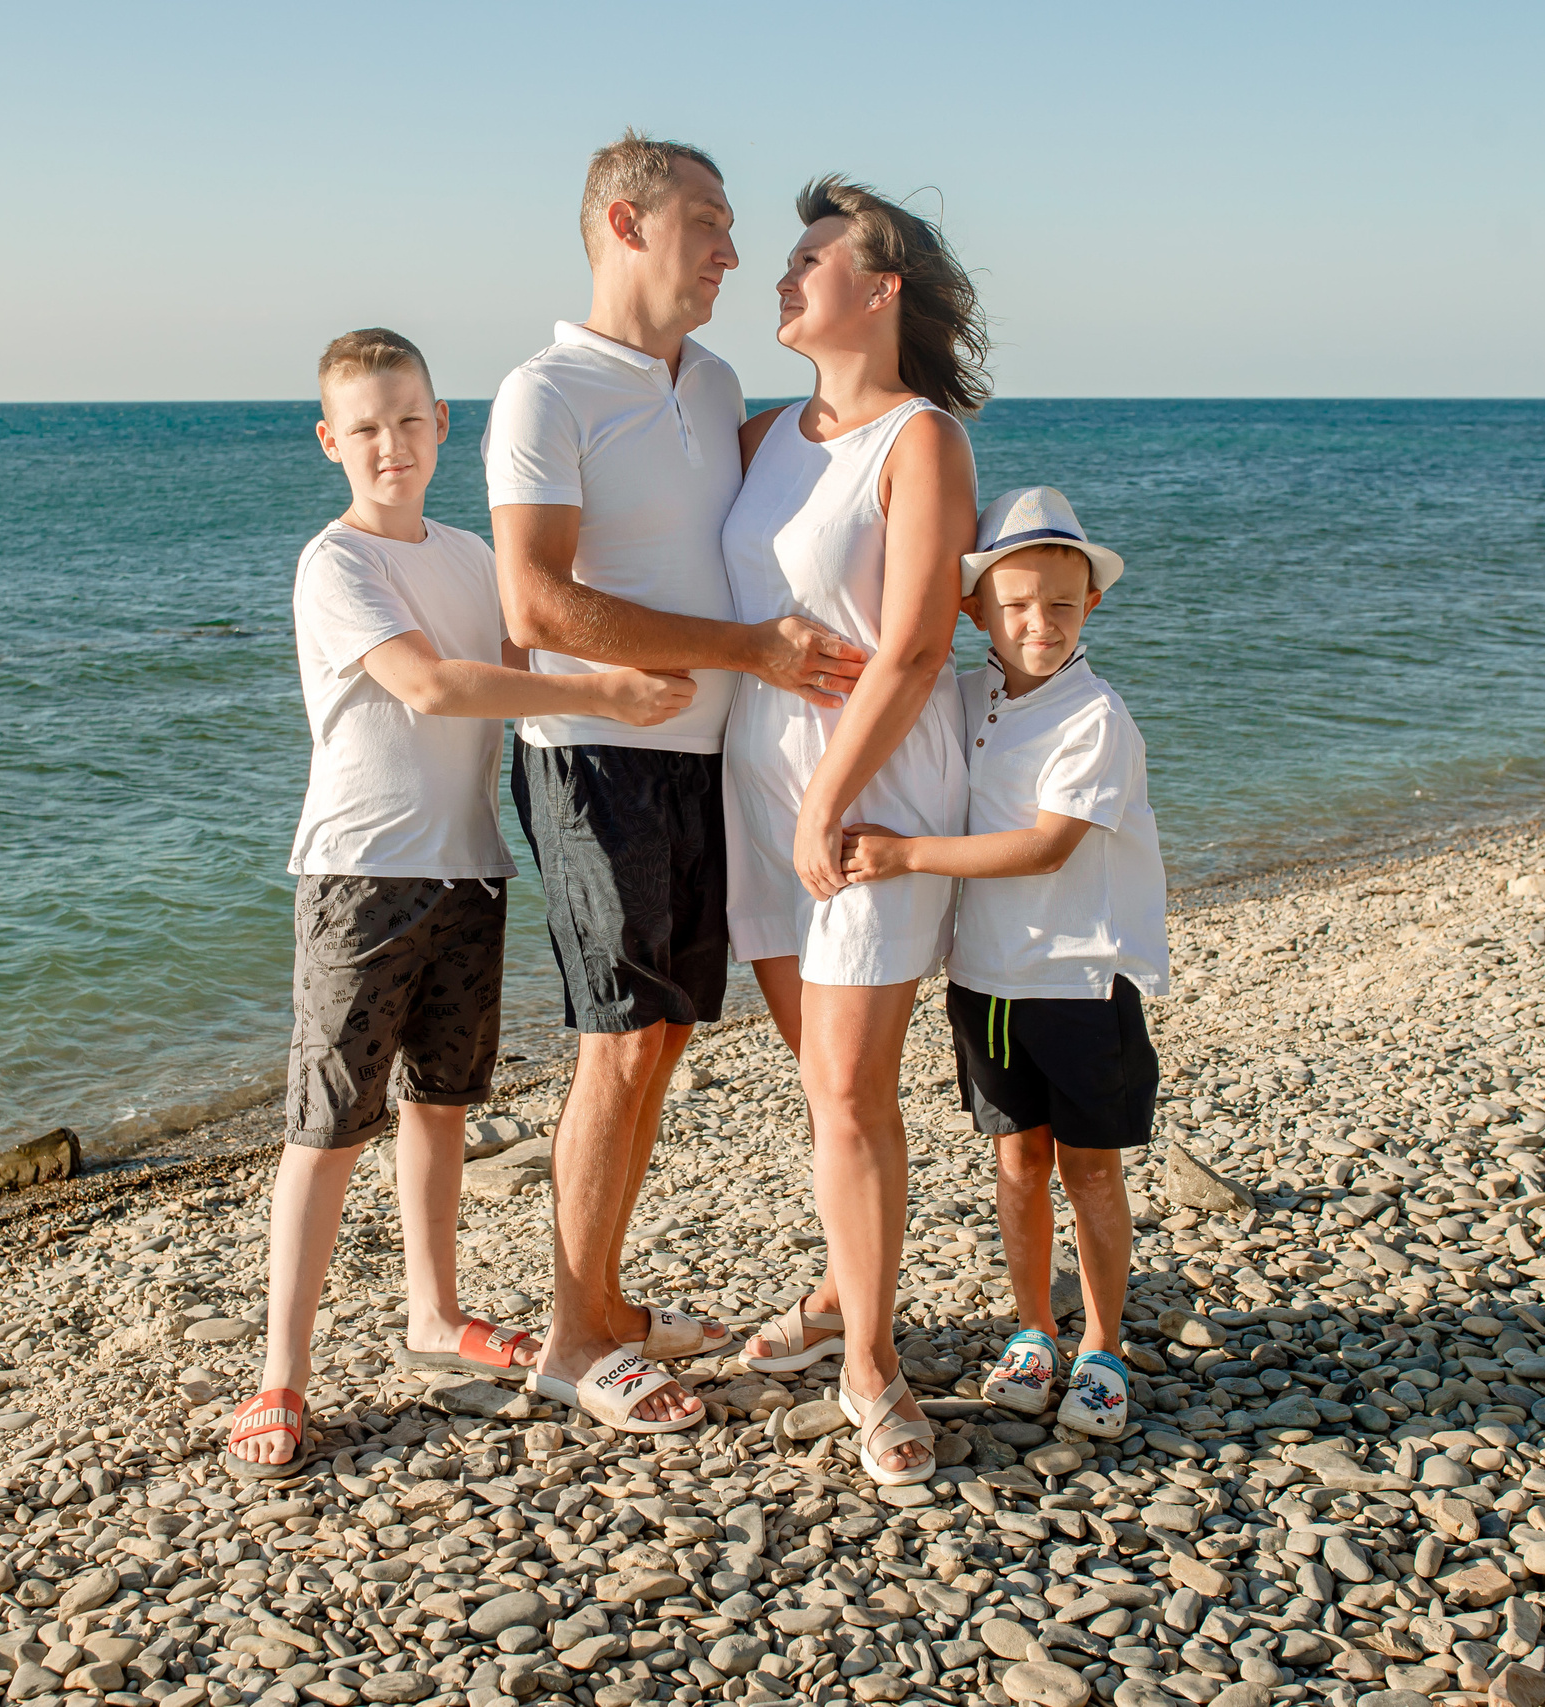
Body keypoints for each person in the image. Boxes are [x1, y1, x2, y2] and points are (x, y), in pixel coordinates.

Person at [224, 328, 696, 1476]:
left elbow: (536, 631)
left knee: (443, 1106)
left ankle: (433, 1317)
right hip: (361, 876)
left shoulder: (472, 555)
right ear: (332, 441)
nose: (392, 444)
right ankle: (280, 1374)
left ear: (443, 428)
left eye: (411, 420)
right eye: (368, 427)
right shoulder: (334, 564)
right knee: (327, 1126)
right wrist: (605, 690)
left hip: (471, 868)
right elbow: (433, 685)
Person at [486, 133, 873, 1435]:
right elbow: (535, 599)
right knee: (616, 1039)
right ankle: (571, 1334)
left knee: (657, 1038)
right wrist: (745, 649)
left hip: (705, 756)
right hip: (593, 757)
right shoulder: (543, 393)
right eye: (707, 221)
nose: (732, 248)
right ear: (624, 223)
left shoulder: (712, 385)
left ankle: (603, 1304)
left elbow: (817, 461)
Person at [721, 177, 984, 1487]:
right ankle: (841, 1286)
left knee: (846, 1090)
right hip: (755, 788)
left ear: (879, 292)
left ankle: (872, 1360)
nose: (784, 275)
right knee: (820, 1079)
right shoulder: (765, 432)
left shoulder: (922, 441)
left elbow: (923, 639)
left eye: (810, 258)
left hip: (869, 798)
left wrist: (830, 800)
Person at [839, 485, 1170, 1439]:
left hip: (1077, 978)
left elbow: (1044, 846)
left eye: (1061, 605)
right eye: (1016, 604)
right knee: (1018, 1163)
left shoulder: (1093, 716)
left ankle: (1101, 1344)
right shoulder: (968, 692)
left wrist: (902, 853)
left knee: (1091, 1171)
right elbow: (887, 684)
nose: (1039, 623)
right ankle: (1033, 1329)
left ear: (1090, 608)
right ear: (975, 607)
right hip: (985, 980)